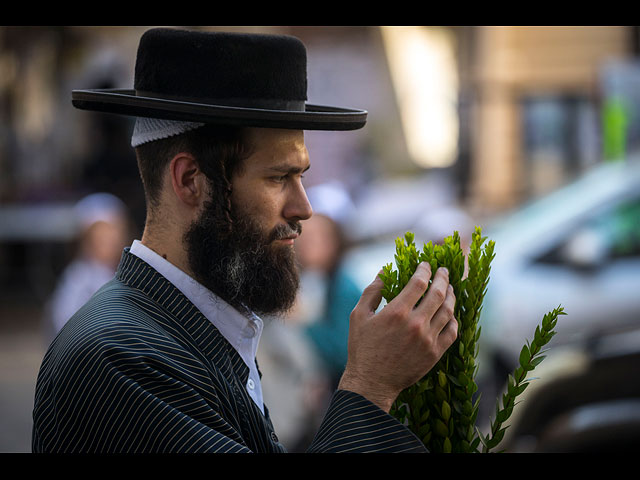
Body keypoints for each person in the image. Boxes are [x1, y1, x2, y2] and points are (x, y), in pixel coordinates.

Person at [32, 27, 457, 453]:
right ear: (190, 181)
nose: (303, 207)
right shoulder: (119, 357)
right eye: (278, 177)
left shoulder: (198, 326)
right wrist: (369, 386)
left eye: (301, 176)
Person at [43, 192, 130, 343]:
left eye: (114, 232)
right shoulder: (78, 278)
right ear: (86, 239)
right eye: (102, 234)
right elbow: (65, 326)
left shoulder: (124, 271)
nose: (110, 240)